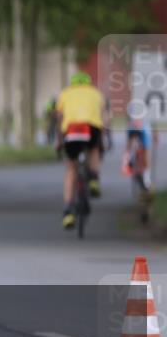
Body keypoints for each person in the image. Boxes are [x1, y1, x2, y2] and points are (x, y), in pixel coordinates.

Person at [55, 71, 108, 229]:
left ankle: (68, 211)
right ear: (88, 83)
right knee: (94, 149)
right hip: (92, 127)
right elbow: (105, 117)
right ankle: (93, 178)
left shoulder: (65, 94)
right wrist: (103, 139)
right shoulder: (97, 94)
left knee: (71, 167)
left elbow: (59, 117)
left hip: (71, 129)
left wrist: (59, 140)